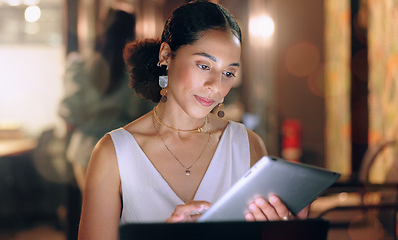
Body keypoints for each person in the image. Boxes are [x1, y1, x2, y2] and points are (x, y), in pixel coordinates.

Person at [78, 1, 309, 239]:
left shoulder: (246, 145)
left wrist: (288, 231)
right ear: (166, 56)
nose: (216, 86)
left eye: (228, 73)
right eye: (203, 65)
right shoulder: (114, 154)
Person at [59, 8, 153, 194]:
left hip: (86, 150)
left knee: (94, 212)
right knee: (121, 214)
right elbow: (149, 114)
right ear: (133, 31)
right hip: (125, 150)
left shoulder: (81, 66)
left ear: (102, 29)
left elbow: (68, 111)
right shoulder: (137, 71)